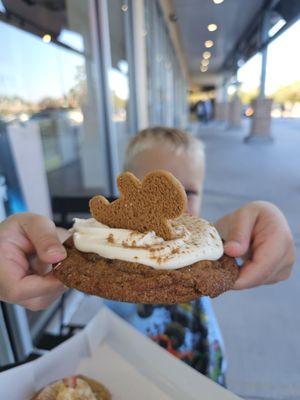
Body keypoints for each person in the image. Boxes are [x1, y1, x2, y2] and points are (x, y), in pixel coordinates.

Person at [0, 127, 295, 375]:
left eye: (188, 192)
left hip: (207, 370)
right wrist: (41, 245)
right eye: (155, 195)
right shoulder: (108, 250)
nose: (176, 207)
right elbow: (79, 242)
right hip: (132, 374)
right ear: (130, 196)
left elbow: (229, 238)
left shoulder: (205, 248)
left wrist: (264, 214)